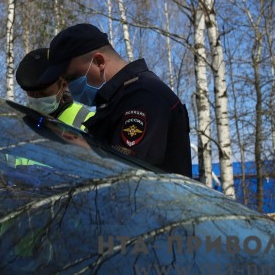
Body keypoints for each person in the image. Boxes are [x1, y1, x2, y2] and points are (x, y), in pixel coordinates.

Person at [38, 23, 192, 178]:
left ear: (99, 62)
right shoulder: (120, 98)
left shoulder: (143, 97)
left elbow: (129, 174)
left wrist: (80, 150)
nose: (69, 88)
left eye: (72, 78)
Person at [16, 47, 94, 131]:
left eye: (43, 93)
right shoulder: (19, 121)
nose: (37, 99)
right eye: (31, 93)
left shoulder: (90, 121)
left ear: (63, 85)